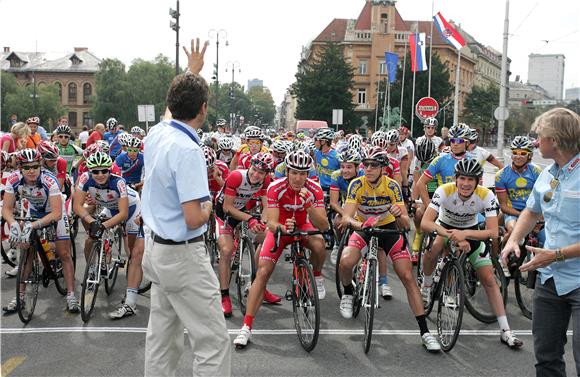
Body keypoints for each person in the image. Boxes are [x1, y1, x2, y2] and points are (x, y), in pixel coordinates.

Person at [140, 38, 231, 376]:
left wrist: (191, 72)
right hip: (182, 255)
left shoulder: (159, 133)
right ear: (204, 108)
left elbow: (170, 113)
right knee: (212, 343)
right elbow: (194, 218)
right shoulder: (189, 149)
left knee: (162, 338)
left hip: (156, 249)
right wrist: (208, 205)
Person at [337, 146, 441, 352]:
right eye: (365, 165)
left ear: (383, 168)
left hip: (388, 229)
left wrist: (399, 214)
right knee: (346, 260)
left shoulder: (392, 186)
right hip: (363, 228)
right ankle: (348, 291)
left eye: (374, 165)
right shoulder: (357, 185)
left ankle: (425, 332)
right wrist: (359, 225)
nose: (368, 169)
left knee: (407, 276)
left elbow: (405, 223)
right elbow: (347, 217)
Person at [502, 107, 580, 376]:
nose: (535, 142)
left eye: (540, 136)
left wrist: (555, 255)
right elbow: (531, 211)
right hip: (549, 280)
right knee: (546, 357)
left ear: (555, 139)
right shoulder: (547, 174)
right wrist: (514, 239)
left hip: (577, 279)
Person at [421, 158, 523, 349]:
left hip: (471, 231)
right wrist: (454, 236)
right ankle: (427, 284)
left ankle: (505, 330)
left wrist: (465, 234)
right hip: (445, 228)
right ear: (456, 179)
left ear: (478, 181)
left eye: (471, 180)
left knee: (489, 279)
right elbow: (425, 223)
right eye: (462, 179)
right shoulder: (444, 190)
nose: (466, 184)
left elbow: (493, 232)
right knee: (433, 249)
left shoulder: (486, 196)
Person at [233, 150, 330, 349]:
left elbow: (324, 225)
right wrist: (285, 229)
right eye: (294, 172)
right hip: (281, 228)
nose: (298, 178)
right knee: (263, 271)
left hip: (303, 226)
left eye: (303, 174)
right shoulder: (276, 187)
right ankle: (246, 327)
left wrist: (310, 205)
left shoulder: (314, 188)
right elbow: (272, 223)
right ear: (287, 171)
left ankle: (316, 277)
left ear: (307, 174)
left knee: (320, 244)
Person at [2, 149, 79, 314]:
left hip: (54, 212)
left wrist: (35, 225)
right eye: (27, 167)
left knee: (64, 253)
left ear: (40, 166)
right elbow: (7, 208)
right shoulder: (13, 179)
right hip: (33, 212)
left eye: (35, 166)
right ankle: (20, 296)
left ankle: (71, 296)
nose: (31, 171)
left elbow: (57, 213)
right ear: (20, 168)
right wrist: (13, 223)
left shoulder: (49, 180)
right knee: (26, 252)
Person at [215, 152, 273, 317]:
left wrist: (262, 221)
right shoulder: (236, 177)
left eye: (261, 173)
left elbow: (267, 205)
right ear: (249, 166)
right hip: (224, 214)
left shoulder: (265, 181)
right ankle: (224, 296)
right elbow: (227, 207)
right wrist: (251, 220)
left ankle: (258, 284)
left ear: (266, 174)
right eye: (254, 170)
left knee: (269, 240)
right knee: (226, 251)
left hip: (244, 212)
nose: (256, 175)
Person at [495, 136, 542, 241]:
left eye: (523, 153)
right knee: (513, 231)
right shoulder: (501, 175)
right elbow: (503, 206)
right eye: (515, 153)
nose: (518, 156)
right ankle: (502, 256)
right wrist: (523, 215)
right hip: (513, 213)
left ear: (530, 155)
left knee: (545, 238)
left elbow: (543, 198)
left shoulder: (537, 172)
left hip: (534, 212)